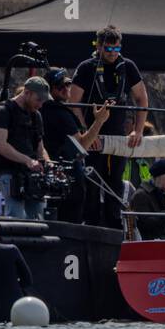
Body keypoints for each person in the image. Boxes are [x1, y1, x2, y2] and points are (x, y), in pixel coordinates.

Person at [69, 27, 148, 228]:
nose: (112, 53)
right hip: (93, 138)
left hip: (118, 139)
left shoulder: (128, 66)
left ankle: (114, 231)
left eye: (116, 48)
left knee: (115, 185)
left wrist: (137, 130)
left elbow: (141, 98)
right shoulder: (86, 67)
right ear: (98, 46)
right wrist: (87, 132)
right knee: (92, 187)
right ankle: (93, 229)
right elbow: (74, 102)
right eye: (107, 49)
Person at [42, 67, 110, 223]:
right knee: (70, 222)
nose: (66, 89)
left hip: (50, 176)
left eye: (67, 84)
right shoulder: (59, 113)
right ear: (49, 90)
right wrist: (99, 121)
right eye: (60, 86)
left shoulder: (40, 110)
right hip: (66, 178)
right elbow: (82, 145)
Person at [0, 77, 51, 220]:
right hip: (9, 171)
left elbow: (40, 146)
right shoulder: (3, 111)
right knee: (15, 214)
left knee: (38, 216)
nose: (40, 104)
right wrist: (27, 161)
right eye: (38, 99)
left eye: (43, 101)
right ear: (27, 92)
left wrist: (48, 164)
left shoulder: (36, 116)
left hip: (31, 174)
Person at [127, 158, 165, 240]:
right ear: (159, 176)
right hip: (148, 244)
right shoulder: (141, 195)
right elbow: (145, 224)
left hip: (161, 241)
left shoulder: (160, 193)